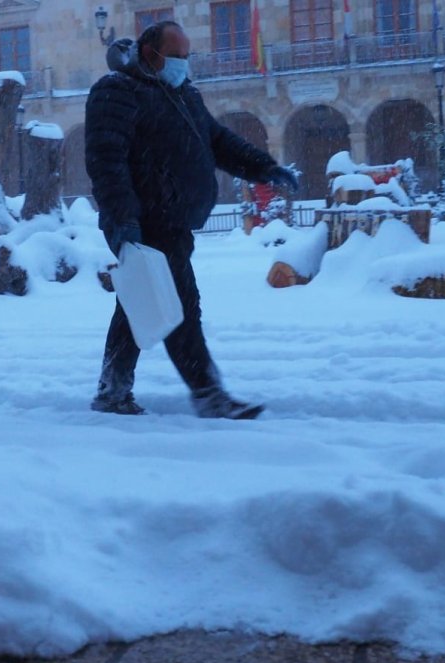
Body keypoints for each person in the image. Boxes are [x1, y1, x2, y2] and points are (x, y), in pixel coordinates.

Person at [86, 21, 298, 419]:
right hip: (143, 222)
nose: (184, 64)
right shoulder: (115, 92)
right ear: (151, 54)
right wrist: (124, 220)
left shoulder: (182, 95)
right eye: (177, 56)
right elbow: (106, 162)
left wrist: (265, 168)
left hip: (173, 222)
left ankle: (112, 391)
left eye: (187, 56)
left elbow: (218, 142)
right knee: (180, 305)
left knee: (139, 303)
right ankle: (208, 393)